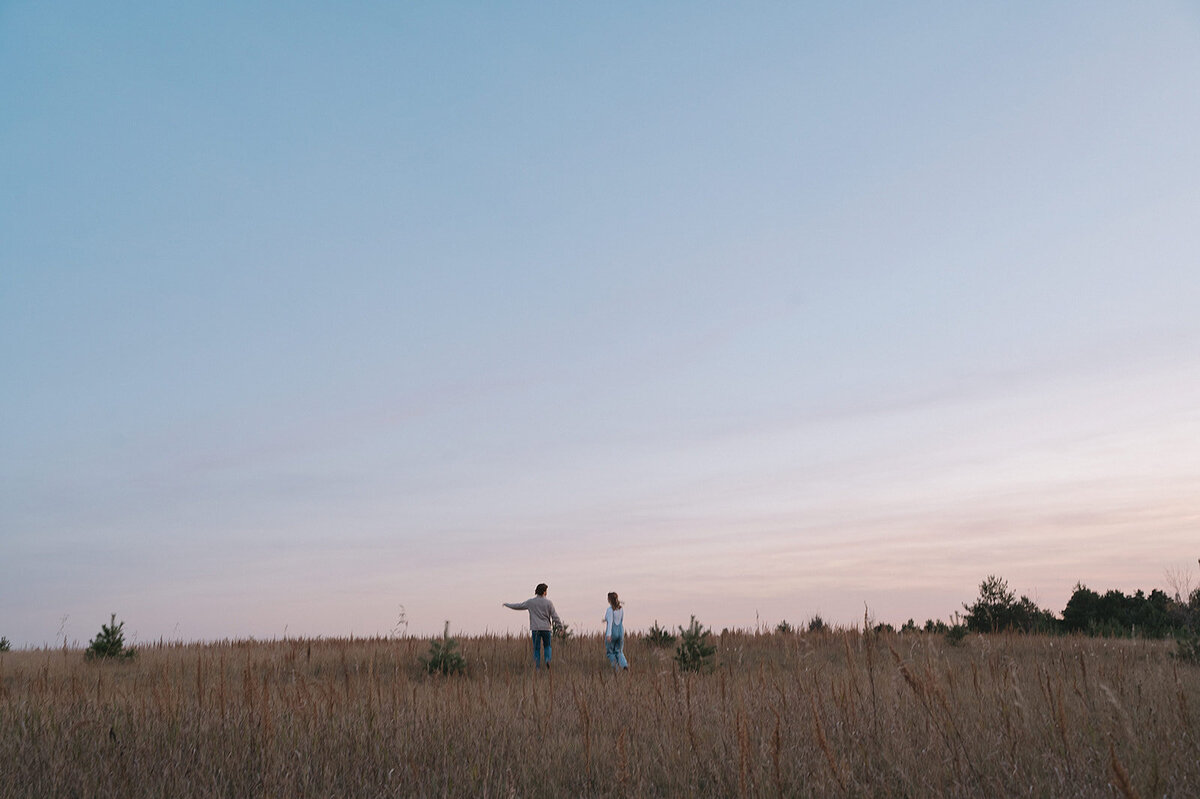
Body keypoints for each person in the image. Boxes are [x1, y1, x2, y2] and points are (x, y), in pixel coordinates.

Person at [503, 583, 563, 670]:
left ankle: (537, 668)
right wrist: (560, 627)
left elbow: (518, 606)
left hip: (535, 629)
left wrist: (507, 605)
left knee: (536, 649)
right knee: (547, 646)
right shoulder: (549, 603)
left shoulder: (530, 602)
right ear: (544, 592)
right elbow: (555, 616)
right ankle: (547, 660)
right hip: (546, 628)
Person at [603, 591, 628, 670]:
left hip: (612, 632)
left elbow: (610, 622)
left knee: (610, 652)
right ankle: (624, 665)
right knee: (619, 651)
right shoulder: (621, 609)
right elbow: (621, 620)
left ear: (609, 600)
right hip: (620, 631)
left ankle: (616, 668)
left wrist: (608, 635)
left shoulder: (610, 610)